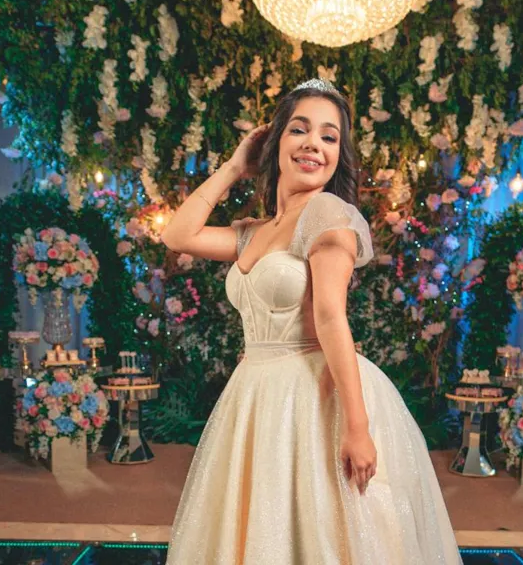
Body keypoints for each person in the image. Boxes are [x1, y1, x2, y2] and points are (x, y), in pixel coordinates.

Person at [162, 78, 461, 564]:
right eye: (299, 130)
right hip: (255, 397)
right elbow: (177, 236)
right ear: (275, 142)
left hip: (312, 397)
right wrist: (234, 167)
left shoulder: (328, 213)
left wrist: (358, 426)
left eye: (329, 136)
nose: (313, 145)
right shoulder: (255, 232)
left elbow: (329, 317)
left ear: (339, 154)